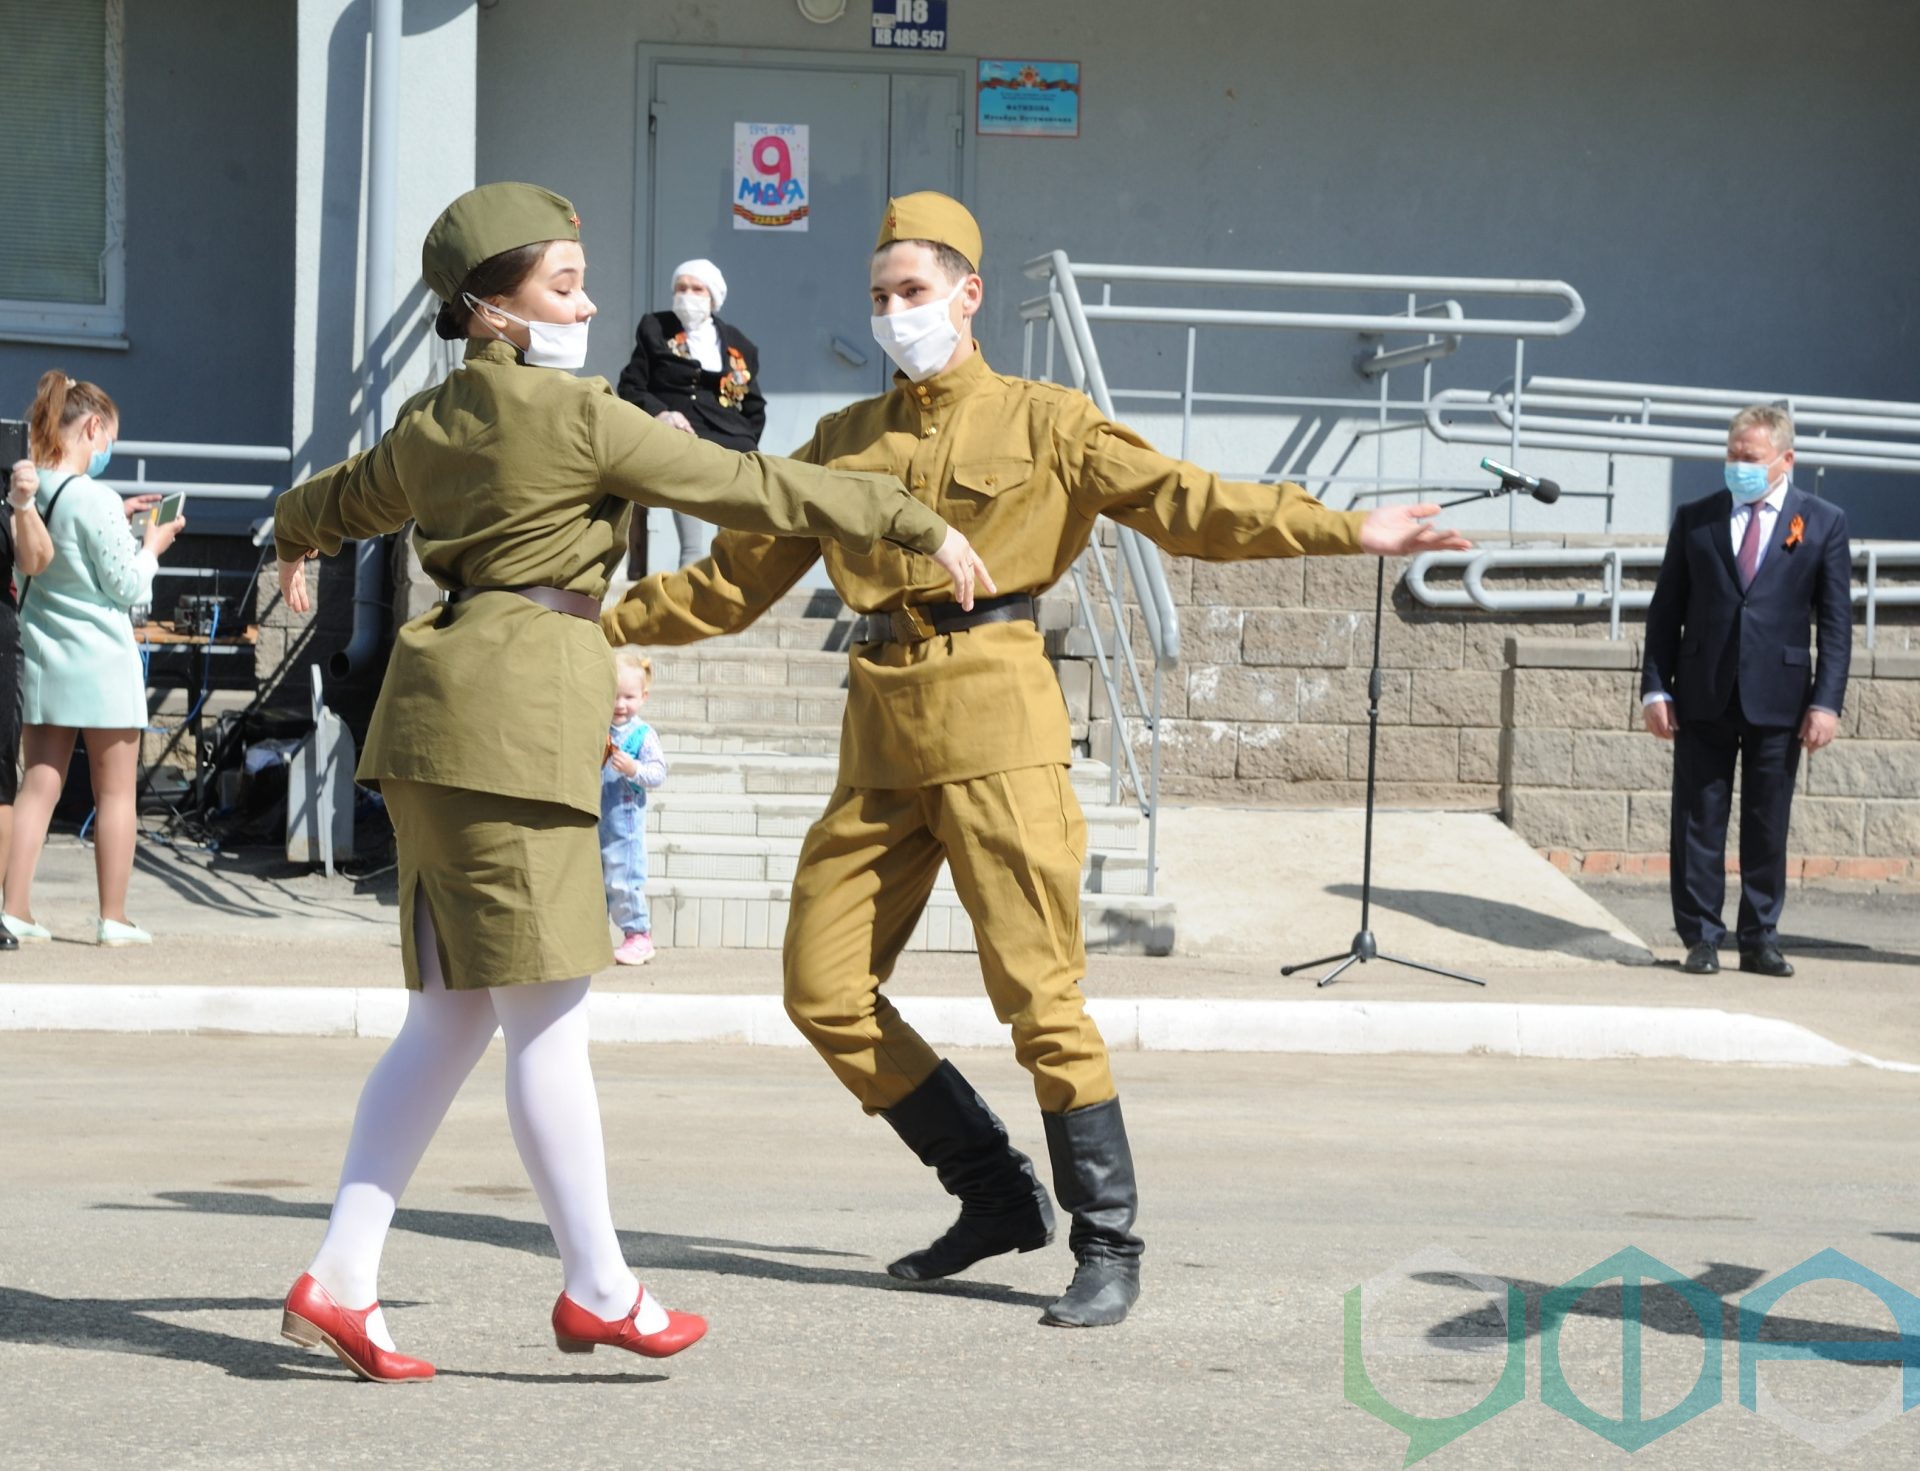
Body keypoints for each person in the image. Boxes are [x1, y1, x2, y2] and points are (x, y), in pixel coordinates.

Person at [604, 192, 1472, 1329]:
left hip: (996, 722)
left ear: (968, 294)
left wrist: (1345, 526)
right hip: (880, 735)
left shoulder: (1046, 420)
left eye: (913, 292)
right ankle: (998, 1195)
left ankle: (1108, 1240)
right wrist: (592, 622)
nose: (894, 314)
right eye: (878, 297)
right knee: (822, 989)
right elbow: (731, 581)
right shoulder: (842, 442)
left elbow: (1189, 503)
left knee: (1038, 996)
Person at [269, 182, 986, 1383]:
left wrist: (289, 537)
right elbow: (756, 489)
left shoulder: (432, 421)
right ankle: (601, 1288)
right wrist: (910, 518)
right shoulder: (580, 418)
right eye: (560, 283)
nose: (590, 301)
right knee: (544, 1021)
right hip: (517, 718)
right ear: (490, 310)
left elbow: (342, 499)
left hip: (435, 724)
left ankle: (342, 1280)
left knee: (447, 1018)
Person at [1641, 403, 1852, 978]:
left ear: (1785, 460)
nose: (1738, 466)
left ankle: (1759, 937)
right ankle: (1701, 937)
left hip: (1780, 698)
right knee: (1698, 819)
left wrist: (1826, 702)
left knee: (1766, 822)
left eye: (1751, 458)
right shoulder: (1696, 518)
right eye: (1732, 455)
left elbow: (1835, 623)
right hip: (1703, 692)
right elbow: (1666, 611)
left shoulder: (1823, 522)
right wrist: (1655, 690)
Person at [3, 375, 178, 947]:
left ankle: (15, 908)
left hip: (46, 657)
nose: (107, 453)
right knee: (116, 794)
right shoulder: (95, 498)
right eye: (109, 441)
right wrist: (151, 547)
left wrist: (118, 516)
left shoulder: (29, 487)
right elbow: (127, 586)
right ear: (93, 428)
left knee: (39, 785)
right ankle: (113, 916)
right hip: (102, 664)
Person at [615, 259, 765, 573]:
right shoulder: (655, 328)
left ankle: (728, 613)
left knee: (734, 545)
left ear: (712, 296)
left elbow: (754, 405)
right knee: (694, 548)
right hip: (682, 443)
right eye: (680, 288)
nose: (687, 295)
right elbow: (631, 385)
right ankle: (687, 616)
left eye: (696, 288)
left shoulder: (740, 343)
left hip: (732, 447)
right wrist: (662, 414)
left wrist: (748, 439)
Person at [1, 454, 59, 955]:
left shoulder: (7, 478)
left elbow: (37, 560)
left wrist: (23, 504)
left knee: (1, 777)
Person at [602, 649, 666, 966]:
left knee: (623, 879)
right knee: (592, 882)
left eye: (628, 697)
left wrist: (633, 769)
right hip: (595, 820)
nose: (619, 705)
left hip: (625, 826)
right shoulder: (597, 727)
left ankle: (638, 935)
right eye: (613, 696)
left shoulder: (642, 734)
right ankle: (593, 939)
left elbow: (658, 773)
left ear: (643, 697)